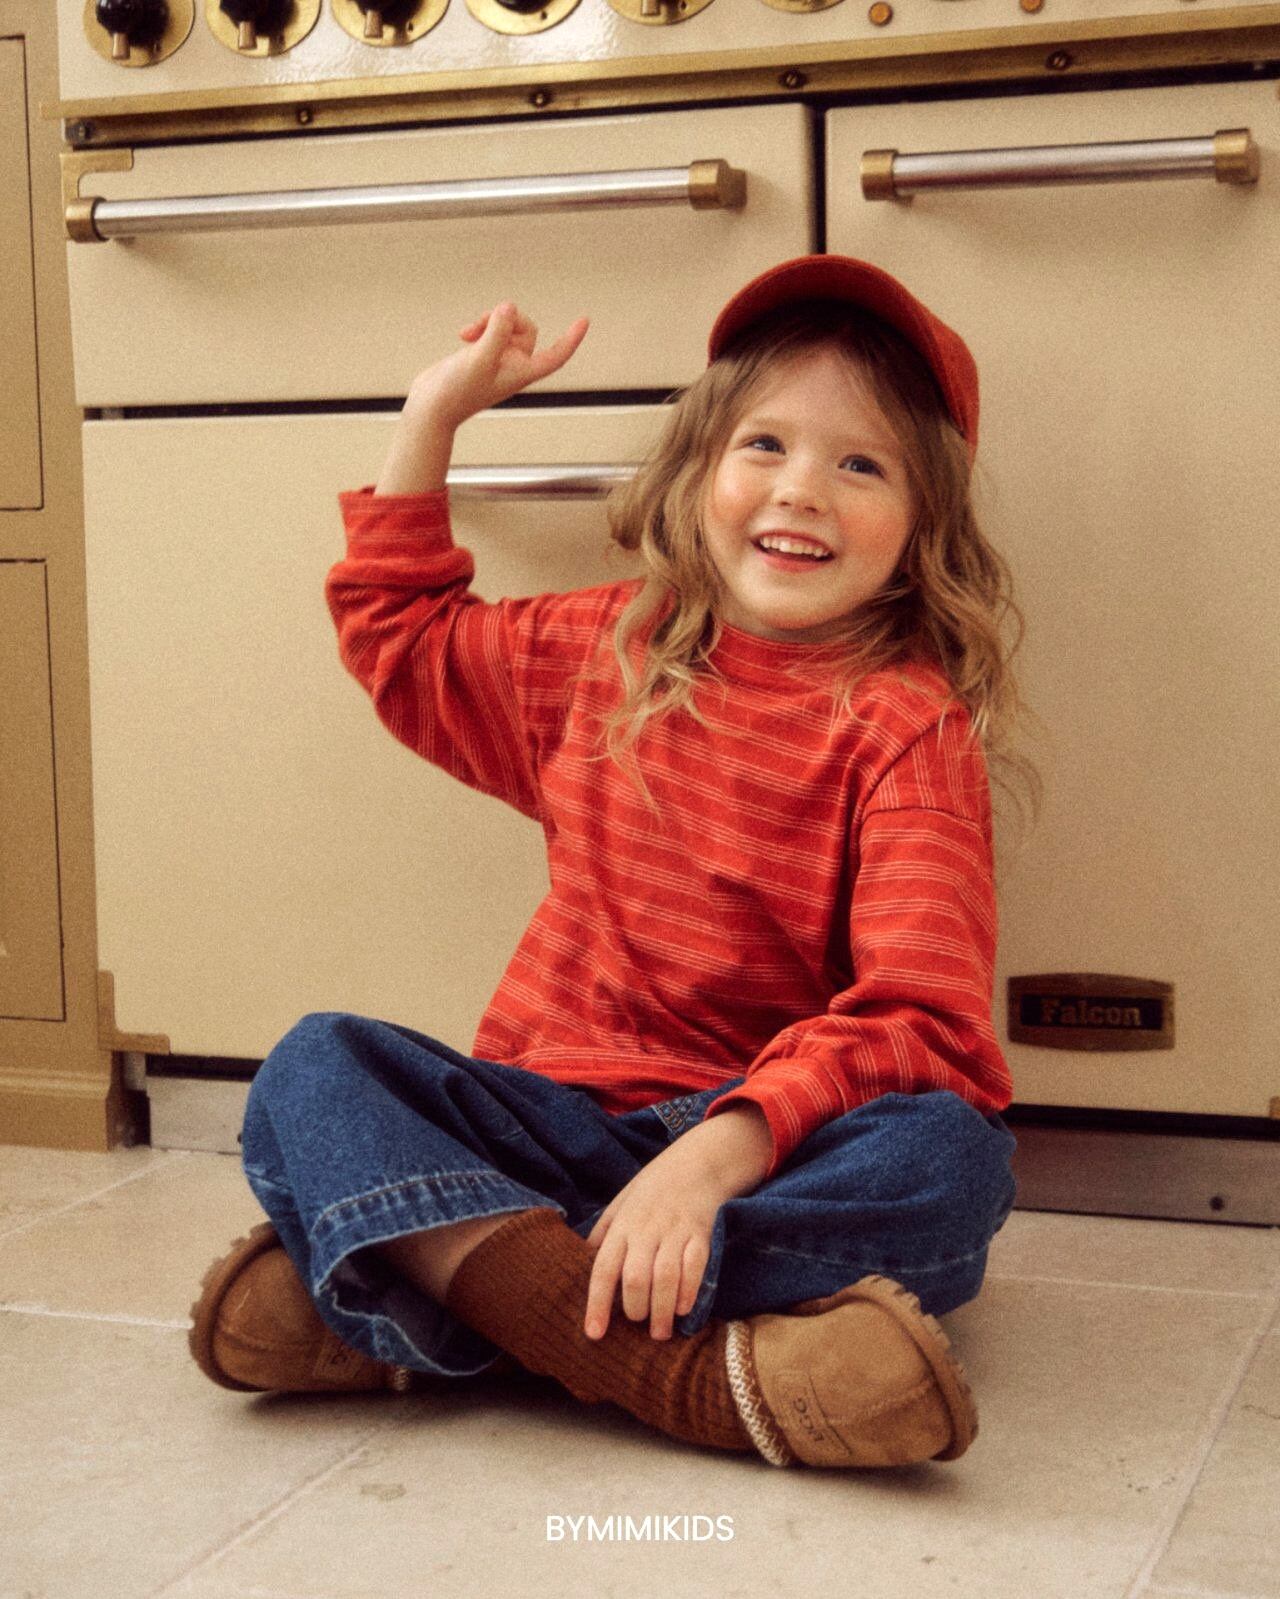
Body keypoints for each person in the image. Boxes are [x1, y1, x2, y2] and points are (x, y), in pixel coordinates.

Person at [189, 255, 1040, 1471]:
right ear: (697, 471)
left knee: (948, 1163)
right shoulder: (607, 647)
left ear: (921, 529)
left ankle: (439, 1291)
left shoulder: (906, 728)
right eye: (763, 444)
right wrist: (431, 415)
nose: (799, 490)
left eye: (861, 465)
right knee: (314, 1069)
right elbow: (403, 641)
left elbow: (924, 1019)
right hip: (549, 1119)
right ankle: (678, 1372)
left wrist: (713, 1159)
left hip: (758, 1153)